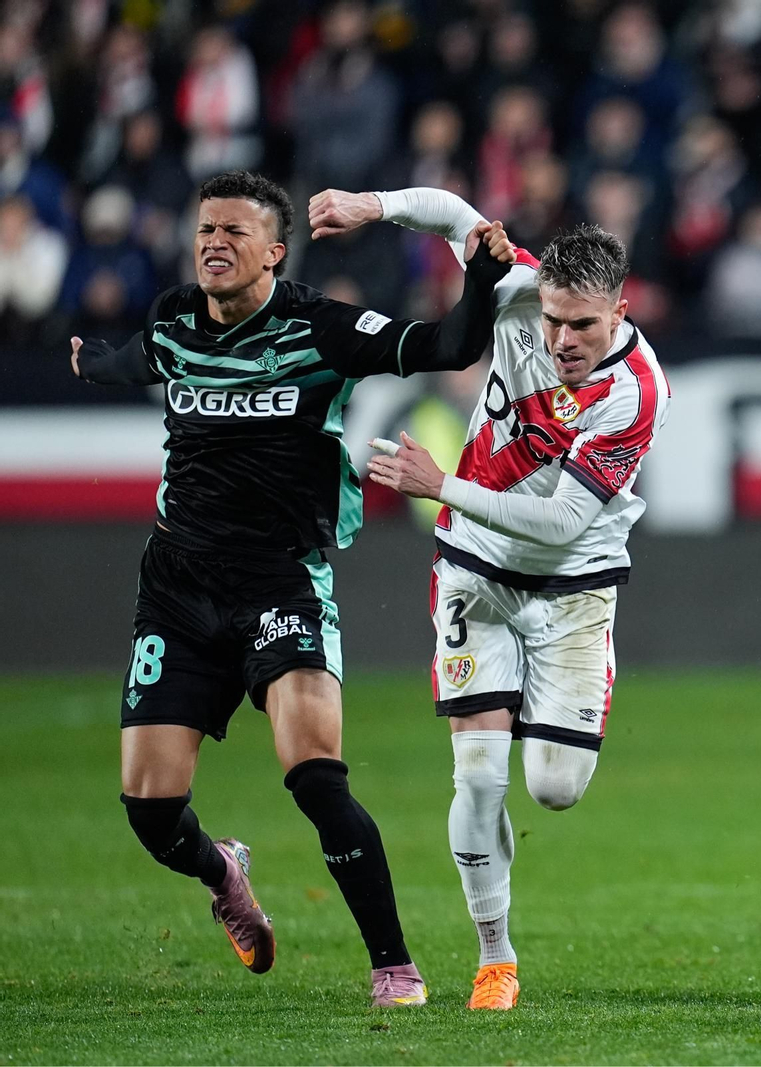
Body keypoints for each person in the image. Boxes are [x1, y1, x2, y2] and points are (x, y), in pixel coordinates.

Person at [71, 170, 513, 1007]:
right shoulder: (173, 319)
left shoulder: (323, 327)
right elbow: (136, 360)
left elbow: (446, 346)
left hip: (281, 579)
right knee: (150, 812)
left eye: (235, 232)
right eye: (206, 228)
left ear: (274, 253)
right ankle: (224, 872)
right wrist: (92, 361)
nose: (214, 243)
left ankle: (395, 965)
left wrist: (482, 281)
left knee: (316, 775)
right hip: (177, 585)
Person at [308, 188, 670, 1012]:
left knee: (553, 786)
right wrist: (371, 205)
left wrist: (445, 487)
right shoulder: (520, 290)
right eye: (551, 321)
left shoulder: (635, 394)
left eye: (582, 325)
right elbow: (450, 211)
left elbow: (558, 522)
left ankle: (572, 701)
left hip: (573, 583)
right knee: (477, 777)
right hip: (473, 569)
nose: (560, 340)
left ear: (622, 307)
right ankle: (494, 956)